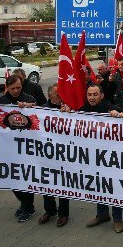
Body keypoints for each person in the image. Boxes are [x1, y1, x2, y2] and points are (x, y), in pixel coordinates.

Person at [71, 84, 123, 232]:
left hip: (110, 157)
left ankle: (117, 219)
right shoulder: (83, 111)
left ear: (101, 95)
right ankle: (102, 214)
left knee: (113, 187)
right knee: (99, 186)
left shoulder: (109, 108)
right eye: (89, 95)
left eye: (95, 94)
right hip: (93, 158)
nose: (92, 97)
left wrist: (118, 113)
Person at [0, 75, 38, 221]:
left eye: (18, 87)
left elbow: (39, 118)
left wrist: (31, 108)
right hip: (8, 148)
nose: (16, 91)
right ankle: (24, 203)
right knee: (11, 179)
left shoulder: (29, 99)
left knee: (24, 177)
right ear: (7, 88)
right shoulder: (1, 101)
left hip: (26, 147)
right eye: (13, 88)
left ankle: (28, 207)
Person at [39, 84, 70, 227]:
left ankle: (63, 214)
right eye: (58, 94)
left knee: (63, 183)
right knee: (46, 182)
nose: (62, 96)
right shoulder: (43, 110)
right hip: (47, 152)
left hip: (64, 153)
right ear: (50, 96)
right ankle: (50, 210)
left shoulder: (68, 108)